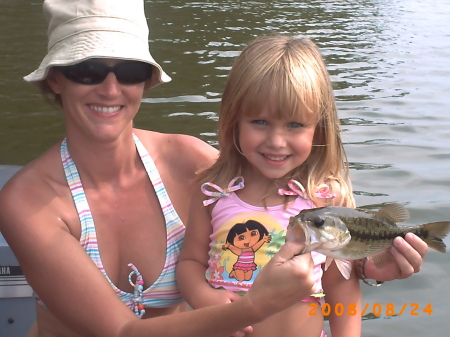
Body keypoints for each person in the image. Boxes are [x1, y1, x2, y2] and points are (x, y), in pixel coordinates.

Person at [0, 1, 319, 337]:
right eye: (88, 70)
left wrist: (369, 260)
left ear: (146, 80)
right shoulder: (26, 201)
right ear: (55, 79)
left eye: (129, 72)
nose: (110, 89)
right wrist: (253, 308)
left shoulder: (190, 163)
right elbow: (122, 331)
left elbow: (296, 199)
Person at [176, 35, 429, 337]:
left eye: (295, 125)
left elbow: (340, 284)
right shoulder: (212, 191)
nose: (276, 141)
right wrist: (206, 299)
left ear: (318, 127)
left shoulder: (326, 197)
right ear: (235, 121)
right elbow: (190, 261)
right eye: (260, 122)